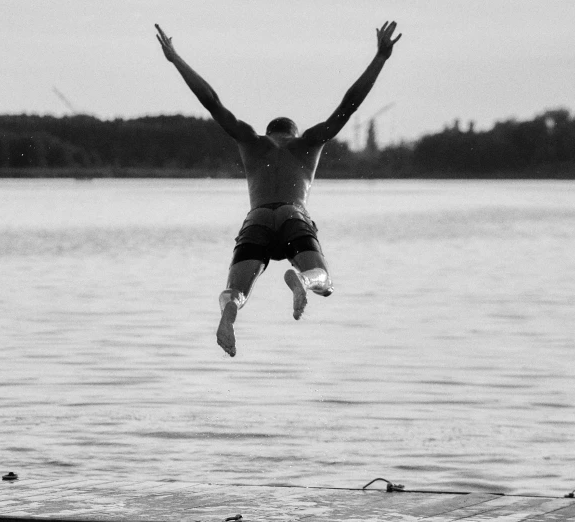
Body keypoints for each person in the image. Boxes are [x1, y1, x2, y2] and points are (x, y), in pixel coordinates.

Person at [156, 22, 401, 357]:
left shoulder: (250, 141)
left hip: (257, 218)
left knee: (236, 292)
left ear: (268, 132)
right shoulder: (308, 143)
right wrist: (380, 57)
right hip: (293, 214)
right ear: (293, 133)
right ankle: (303, 281)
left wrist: (175, 58)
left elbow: (211, 101)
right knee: (323, 282)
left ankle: (229, 315)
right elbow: (350, 104)